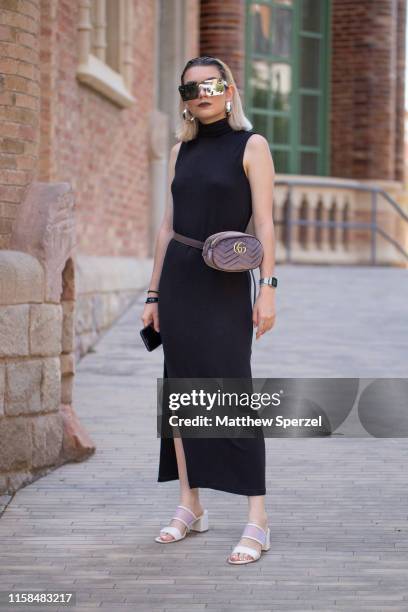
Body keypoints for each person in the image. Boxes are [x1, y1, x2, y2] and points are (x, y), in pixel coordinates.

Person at [141, 55, 276, 564]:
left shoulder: (252, 145)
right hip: (178, 281)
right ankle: (189, 505)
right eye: (191, 88)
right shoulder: (182, 151)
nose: (202, 94)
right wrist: (152, 294)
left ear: (229, 89)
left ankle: (257, 519)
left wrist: (269, 289)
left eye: (212, 84)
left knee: (232, 392)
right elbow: (166, 227)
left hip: (225, 282)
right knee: (179, 393)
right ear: (184, 99)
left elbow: (264, 224)